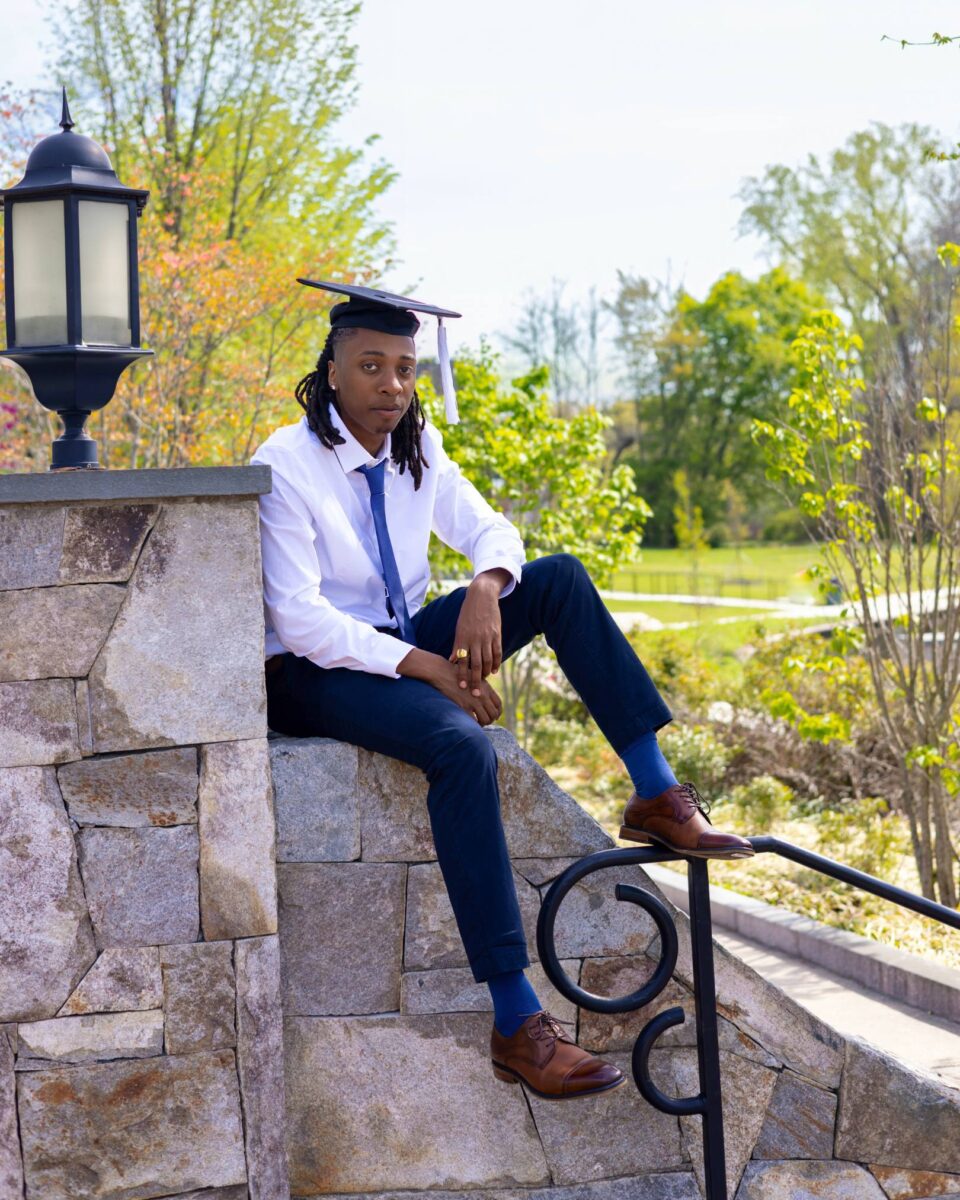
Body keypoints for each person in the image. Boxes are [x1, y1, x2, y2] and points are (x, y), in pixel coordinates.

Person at [251, 281, 753, 1102]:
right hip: (312, 673)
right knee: (458, 745)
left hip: (400, 633)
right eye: (371, 366)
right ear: (333, 370)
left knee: (555, 580)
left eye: (406, 369)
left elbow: (490, 527)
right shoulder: (287, 461)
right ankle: (517, 1021)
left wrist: (487, 583)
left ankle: (657, 794)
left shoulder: (416, 445)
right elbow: (303, 619)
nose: (392, 385)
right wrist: (432, 671)